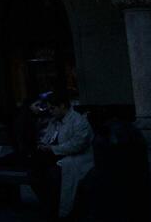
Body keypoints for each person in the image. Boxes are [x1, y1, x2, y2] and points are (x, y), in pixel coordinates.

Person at [33, 90, 94, 219]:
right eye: (49, 108)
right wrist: (43, 145)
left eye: (53, 108)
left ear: (62, 106)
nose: (50, 111)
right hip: (56, 156)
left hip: (76, 158)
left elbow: (77, 145)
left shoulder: (78, 121)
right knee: (35, 172)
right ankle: (49, 206)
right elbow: (47, 137)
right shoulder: (54, 121)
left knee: (53, 175)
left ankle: (55, 209)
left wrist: (53, 149)